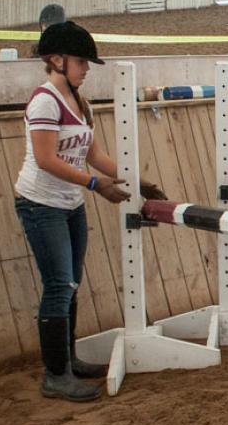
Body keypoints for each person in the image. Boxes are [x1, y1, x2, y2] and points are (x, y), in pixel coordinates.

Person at [14, 21, 166, 402]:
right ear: (57, 60)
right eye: (81, 62)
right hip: (41, 203)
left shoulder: (80, 103)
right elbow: (47, 160)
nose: (86, 69)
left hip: (68, 202)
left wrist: (134, 179)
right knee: (58, 284)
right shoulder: (44, 101)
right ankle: (55, 374)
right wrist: (96, 186)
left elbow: (93, 155)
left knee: (70, 283)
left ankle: (68, 360)